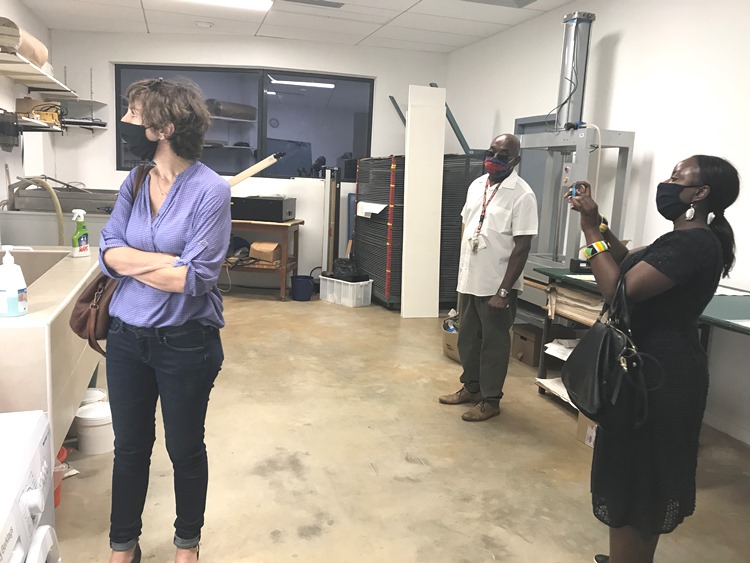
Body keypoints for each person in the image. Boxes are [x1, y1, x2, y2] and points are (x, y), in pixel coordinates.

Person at [566, 155, 740, 563]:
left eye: (677, 177)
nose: (667, 183)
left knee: (637, 483)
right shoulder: (683, 240)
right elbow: (628, 259)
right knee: (638, 479)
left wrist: (589, 233)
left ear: (700, 193)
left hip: (655, 379)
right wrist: (598, 220)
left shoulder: (691, 243)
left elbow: (619, 291)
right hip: (653, 369)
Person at [99, 77, 231, 563]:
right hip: (125, 338)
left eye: (134, 115)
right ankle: (122, 546)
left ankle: (186, 545)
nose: (125, 122)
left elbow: (195, 279)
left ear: (164, 128)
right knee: (130, 448)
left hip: (186, 342)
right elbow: (107, 253)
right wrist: (165, 261)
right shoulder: (135, 181)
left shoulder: (210, 190)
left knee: (185, 449)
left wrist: (136, 262)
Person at [439, 133, 539, 421]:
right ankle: (471, 388)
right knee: (467, 339)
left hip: (496, 285)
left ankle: (491, 400)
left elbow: (522, 247)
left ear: (516, 160)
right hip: (470, 279)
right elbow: (467, 224)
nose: (494, 159)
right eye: (491, 152)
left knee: (493, 344)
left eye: (502, 156)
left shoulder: (523, 195)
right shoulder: (477, 185)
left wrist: (504, 291)